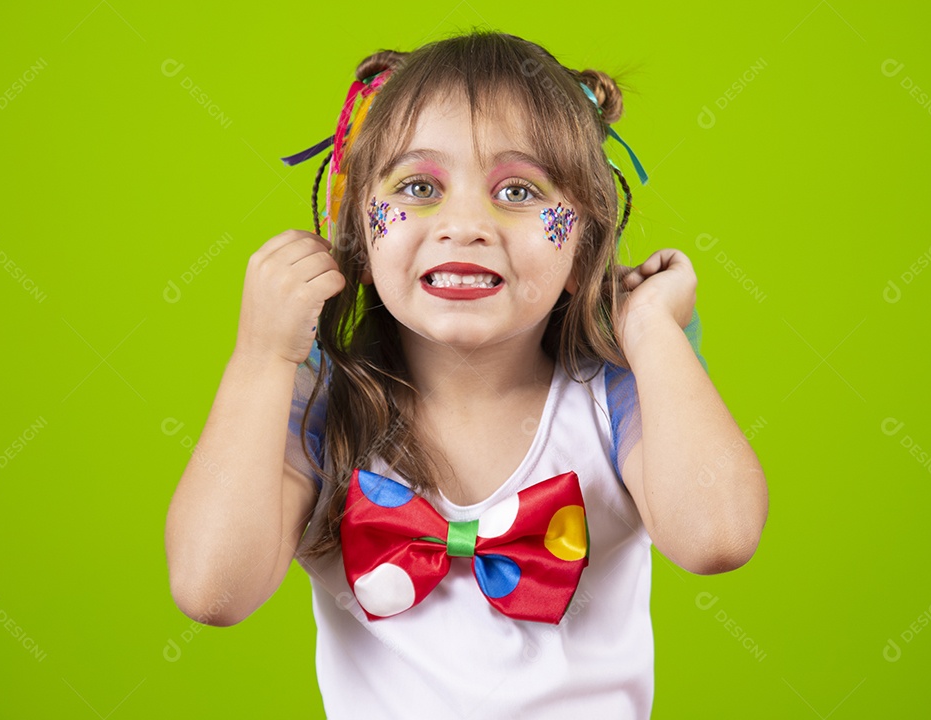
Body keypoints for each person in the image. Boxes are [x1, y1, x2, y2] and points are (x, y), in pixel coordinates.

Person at [164, 30, 768, 719]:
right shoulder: (319, 406)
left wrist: (652, 330)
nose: (466, 224)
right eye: (419, 186)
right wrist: (260, 359)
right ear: (356, 233)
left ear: (583, 247)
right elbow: (212, 589)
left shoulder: (613, 394)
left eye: (518, 189)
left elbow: (718, 536)